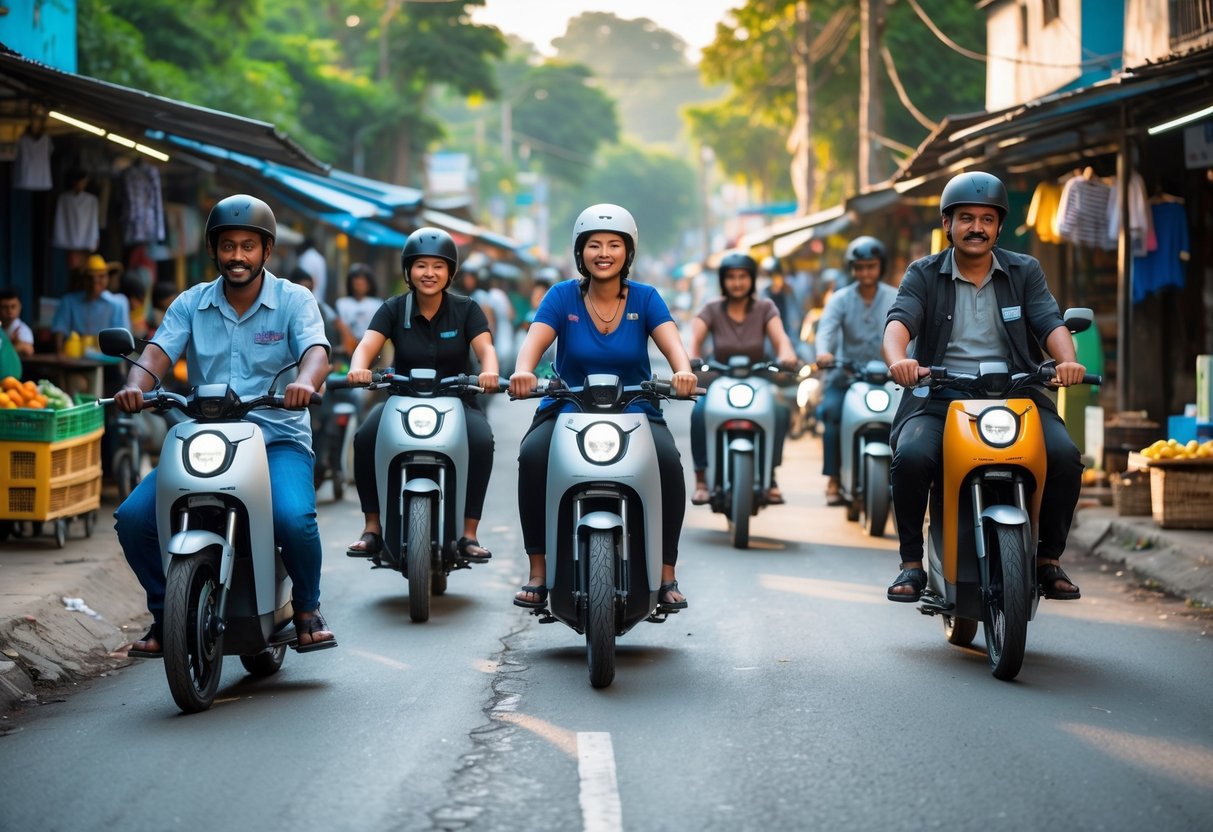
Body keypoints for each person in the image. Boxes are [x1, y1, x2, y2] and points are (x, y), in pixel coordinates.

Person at [113, 194, 336, 654]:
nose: (238, 255)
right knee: (134, 519)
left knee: (294, 520)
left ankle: (307, 607)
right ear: (214, 250)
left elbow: (316, 351)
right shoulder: (191, 303)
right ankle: (165, 614)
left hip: (277, 440)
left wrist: (305, 382)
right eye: (228, 245)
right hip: (205, 439)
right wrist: (137, 383)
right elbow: (156, 354)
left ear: (266, 251)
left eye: (248, 246)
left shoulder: (294, 299)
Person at [882, 171, 1087, 603]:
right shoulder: (923, 273)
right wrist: (900, 360)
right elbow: (899, 321)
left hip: (1017, 395)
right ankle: (911, 564)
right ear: (948, 225)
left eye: (988, 219)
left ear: (998, 226)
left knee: (1066, 457)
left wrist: (1067, 361)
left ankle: (1047, 560)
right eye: (967, 218)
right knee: (912, 456)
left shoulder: (1024, 270)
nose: (977, 227)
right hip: (941, 395)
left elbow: (1049, 320)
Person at [508, 203, 697, 610]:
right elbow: (533, 343)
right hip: (567, 409)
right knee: (532, 456)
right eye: (594, 244)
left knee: (669, 465)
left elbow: (673, 345)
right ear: (581, 252)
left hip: (636, 411)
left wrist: (683, 373)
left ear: (629, 252)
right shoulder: (561, 296)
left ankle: (666, 575)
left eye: (614, 244)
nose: (604, 252)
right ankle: (538, 571)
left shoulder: (646, 298)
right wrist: (523, 372)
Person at [344, 227, 500, 563]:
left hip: (458, 400)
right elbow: (367, 346)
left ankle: (469, 533)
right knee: (365, 437)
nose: (429, 273)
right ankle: (372, 527)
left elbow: (485, 348)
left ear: (450, 272)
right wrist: (359, 368)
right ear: (408, 271)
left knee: (481, 440)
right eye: (421, 266)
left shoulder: (467, 309)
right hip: (401, 400)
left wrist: (489, 371)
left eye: (438, 266)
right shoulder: (393, 308)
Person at [687, 251, 798, 505]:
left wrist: (787, 355)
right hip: (719, 377)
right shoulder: (711, 308)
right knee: (699, 412)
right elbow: (695, 341)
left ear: (752, 279)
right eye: (731, 277)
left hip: (757, 377)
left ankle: (769, 476)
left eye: (743, 277)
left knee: (780, 410)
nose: (737, 282)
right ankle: (702, 479)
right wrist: (690, 362)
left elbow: (781, 339)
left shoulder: (765, 307)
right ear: (723, 281)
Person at [815, 236, 899, 504]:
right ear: (852, 268)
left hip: (889, 379)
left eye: (871, 266)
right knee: (831, 414)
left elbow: (910, 329)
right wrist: (824, 353)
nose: (865, 272)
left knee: (909, 421)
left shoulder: (895, 296)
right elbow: (826, 329)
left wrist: (910, 359)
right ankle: (834, 478)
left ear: (880, 267)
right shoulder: (840, 299)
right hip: (847, 377)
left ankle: (901, 480)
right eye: (859, 267)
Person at [51, 254, 131, 354]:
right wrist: (59, 351)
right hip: (76, 356)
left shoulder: (118, 303)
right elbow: (60, 328)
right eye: (90, 277)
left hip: (108, 359)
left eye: (101, 276)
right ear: (83, 279)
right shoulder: (69, 301)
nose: (95, 281)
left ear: (107, 278)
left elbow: (122, 338)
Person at [335, 263, 382, 343]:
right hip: (348, 345)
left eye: (362, 283)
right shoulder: (342, 304)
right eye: (356, 283)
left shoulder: (377, 304)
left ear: (369, 285)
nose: (359, 286)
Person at [0, 286, 35, 358]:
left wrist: (12, 345)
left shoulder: (22, 329)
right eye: (5, 307)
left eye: (13, 306)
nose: (9, 311)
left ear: (20, 307)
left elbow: (28, 350)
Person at [297, 235, 328, 304]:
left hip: (308, 299)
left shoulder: (306, 257)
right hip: (319, 298)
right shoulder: (320, 258)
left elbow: (305, 279)